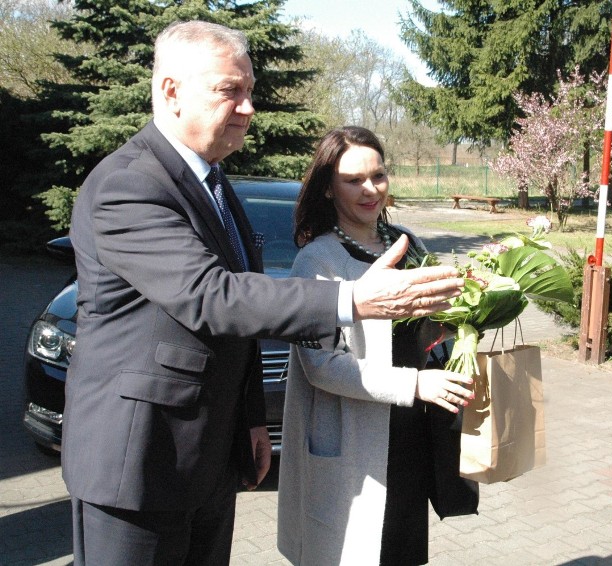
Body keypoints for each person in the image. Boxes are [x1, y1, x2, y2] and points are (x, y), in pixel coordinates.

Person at [63, 21, 463, 566]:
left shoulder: (214, 182)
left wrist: (249, 416)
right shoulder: (128, 184)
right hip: (137, 464)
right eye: (231, 90)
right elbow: (210, 297)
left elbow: (233, 331)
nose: (249, 107)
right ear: (170, 91)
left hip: (207, 456)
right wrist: (351, 301)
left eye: (250, 91)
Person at [276, 126, 476, 565]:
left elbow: (437, 323)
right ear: (328, 189)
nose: (370, 189)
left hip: (409, 440)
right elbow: (321, 366)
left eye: (378, 175)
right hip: (354, 448)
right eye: (353, 180)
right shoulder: (317, 261)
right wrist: (415, 385)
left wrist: (477, 299)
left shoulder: (409, 243)